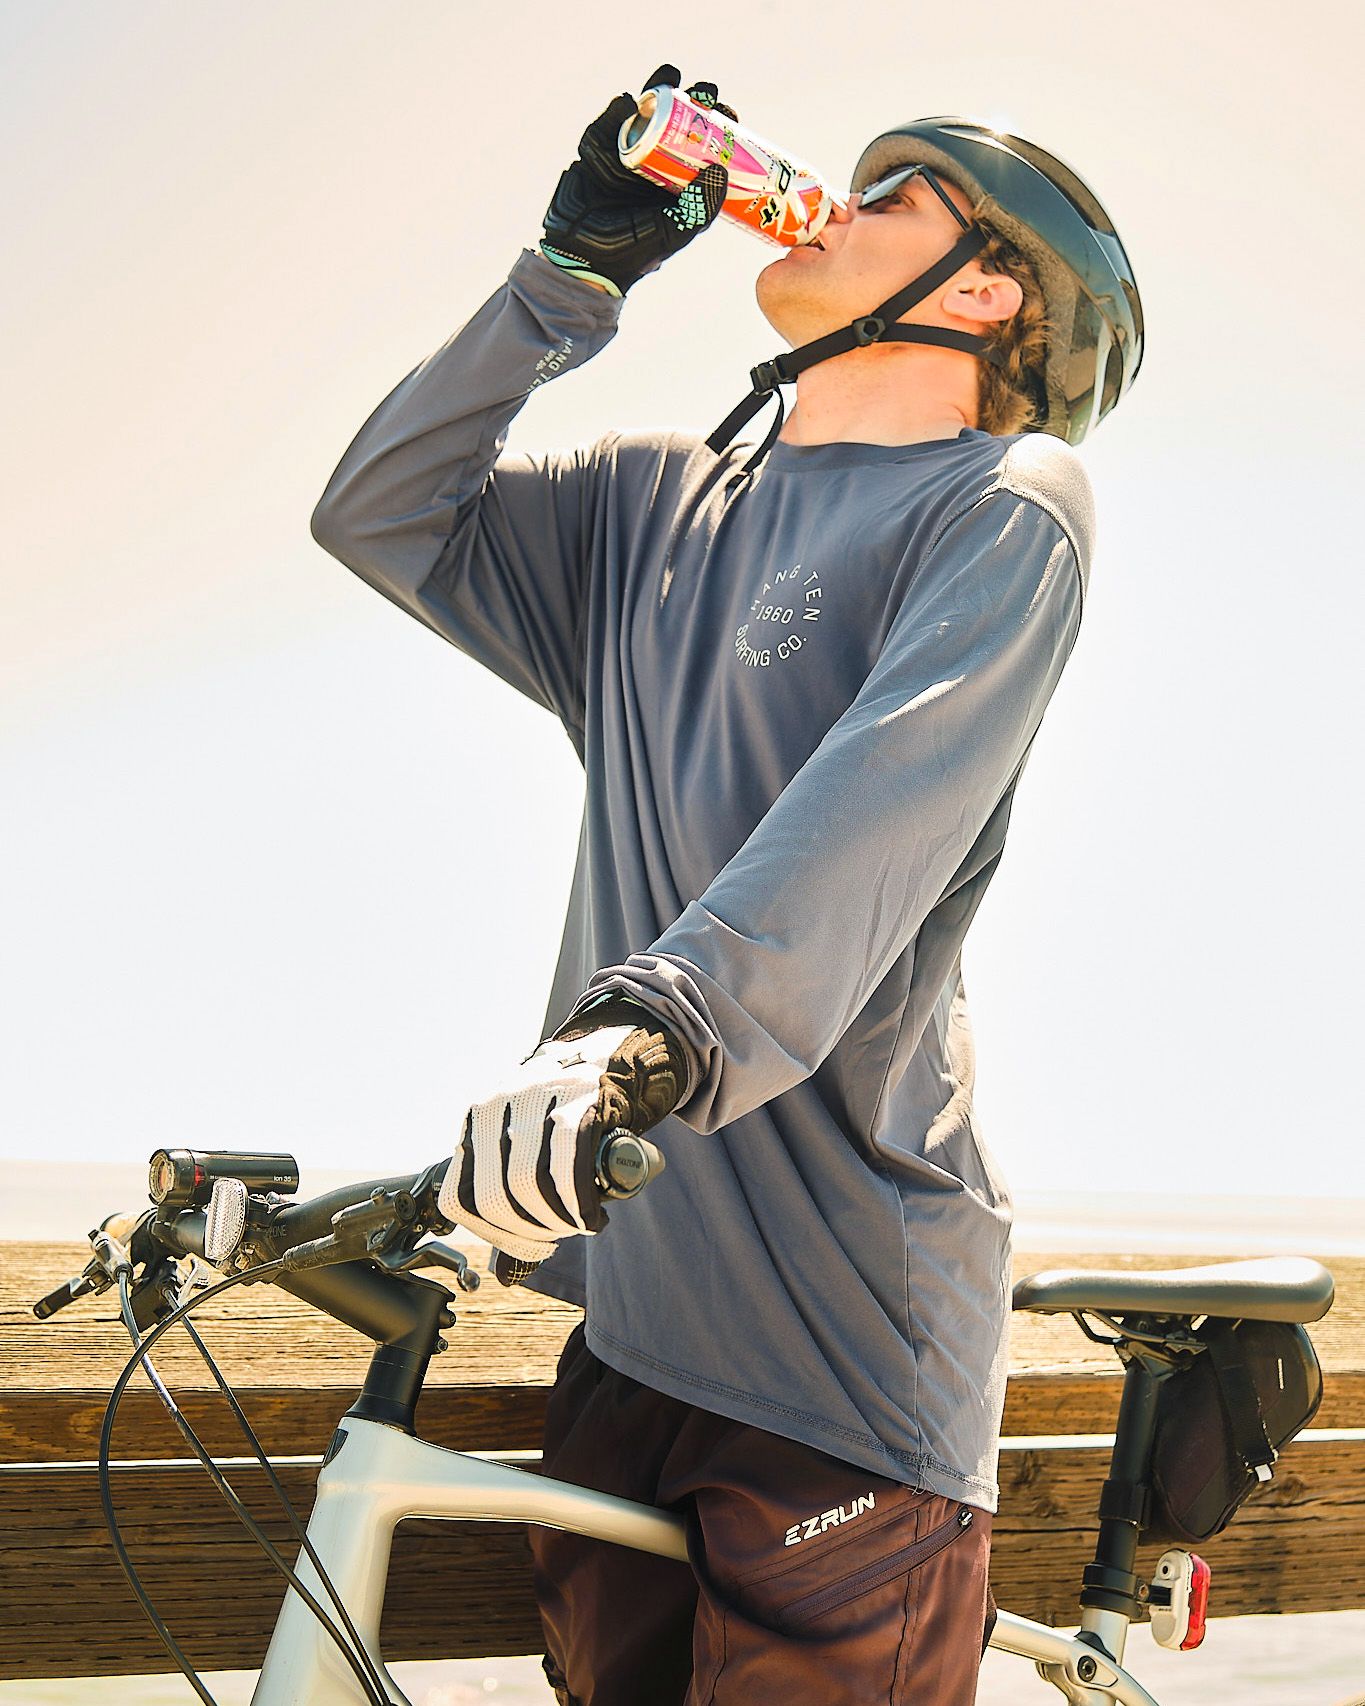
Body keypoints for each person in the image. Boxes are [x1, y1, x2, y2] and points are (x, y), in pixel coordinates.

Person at [310, 67, 1143, 1706]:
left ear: (982, 291)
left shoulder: (1000, 505)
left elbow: (866, 818)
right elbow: (380, 511)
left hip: (840, 1344)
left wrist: (643, 1025)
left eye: (890, 196)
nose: (827, 201)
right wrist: (567, 278)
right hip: (632, 1316)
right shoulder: (649, 506)